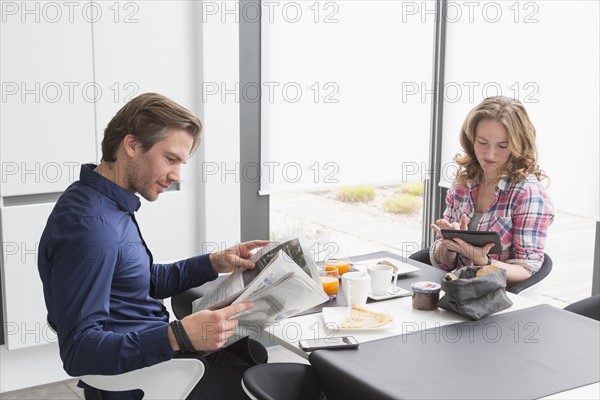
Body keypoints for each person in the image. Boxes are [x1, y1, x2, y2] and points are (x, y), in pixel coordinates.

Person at [38, 93, 270, 400]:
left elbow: (140, 283)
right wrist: (179, 335)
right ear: (132, 146)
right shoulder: (90, 227)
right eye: (170, 159)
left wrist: (214, 262)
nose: (176, 176)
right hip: (142, 376)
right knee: (273, 383)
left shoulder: (106, 203)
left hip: (150, 349)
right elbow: (79, 351)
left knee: (250, 354)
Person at [429, 96, 554, 286]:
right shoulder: (464, 183)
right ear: (471, 139)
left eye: (502, 146)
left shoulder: (528, 194)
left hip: (497, 299)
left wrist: (484, 261)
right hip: (456, 292)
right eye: (482, 142)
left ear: (518, 146)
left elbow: (527, 269)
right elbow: (444, 263)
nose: (490, 154)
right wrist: (448, 246)